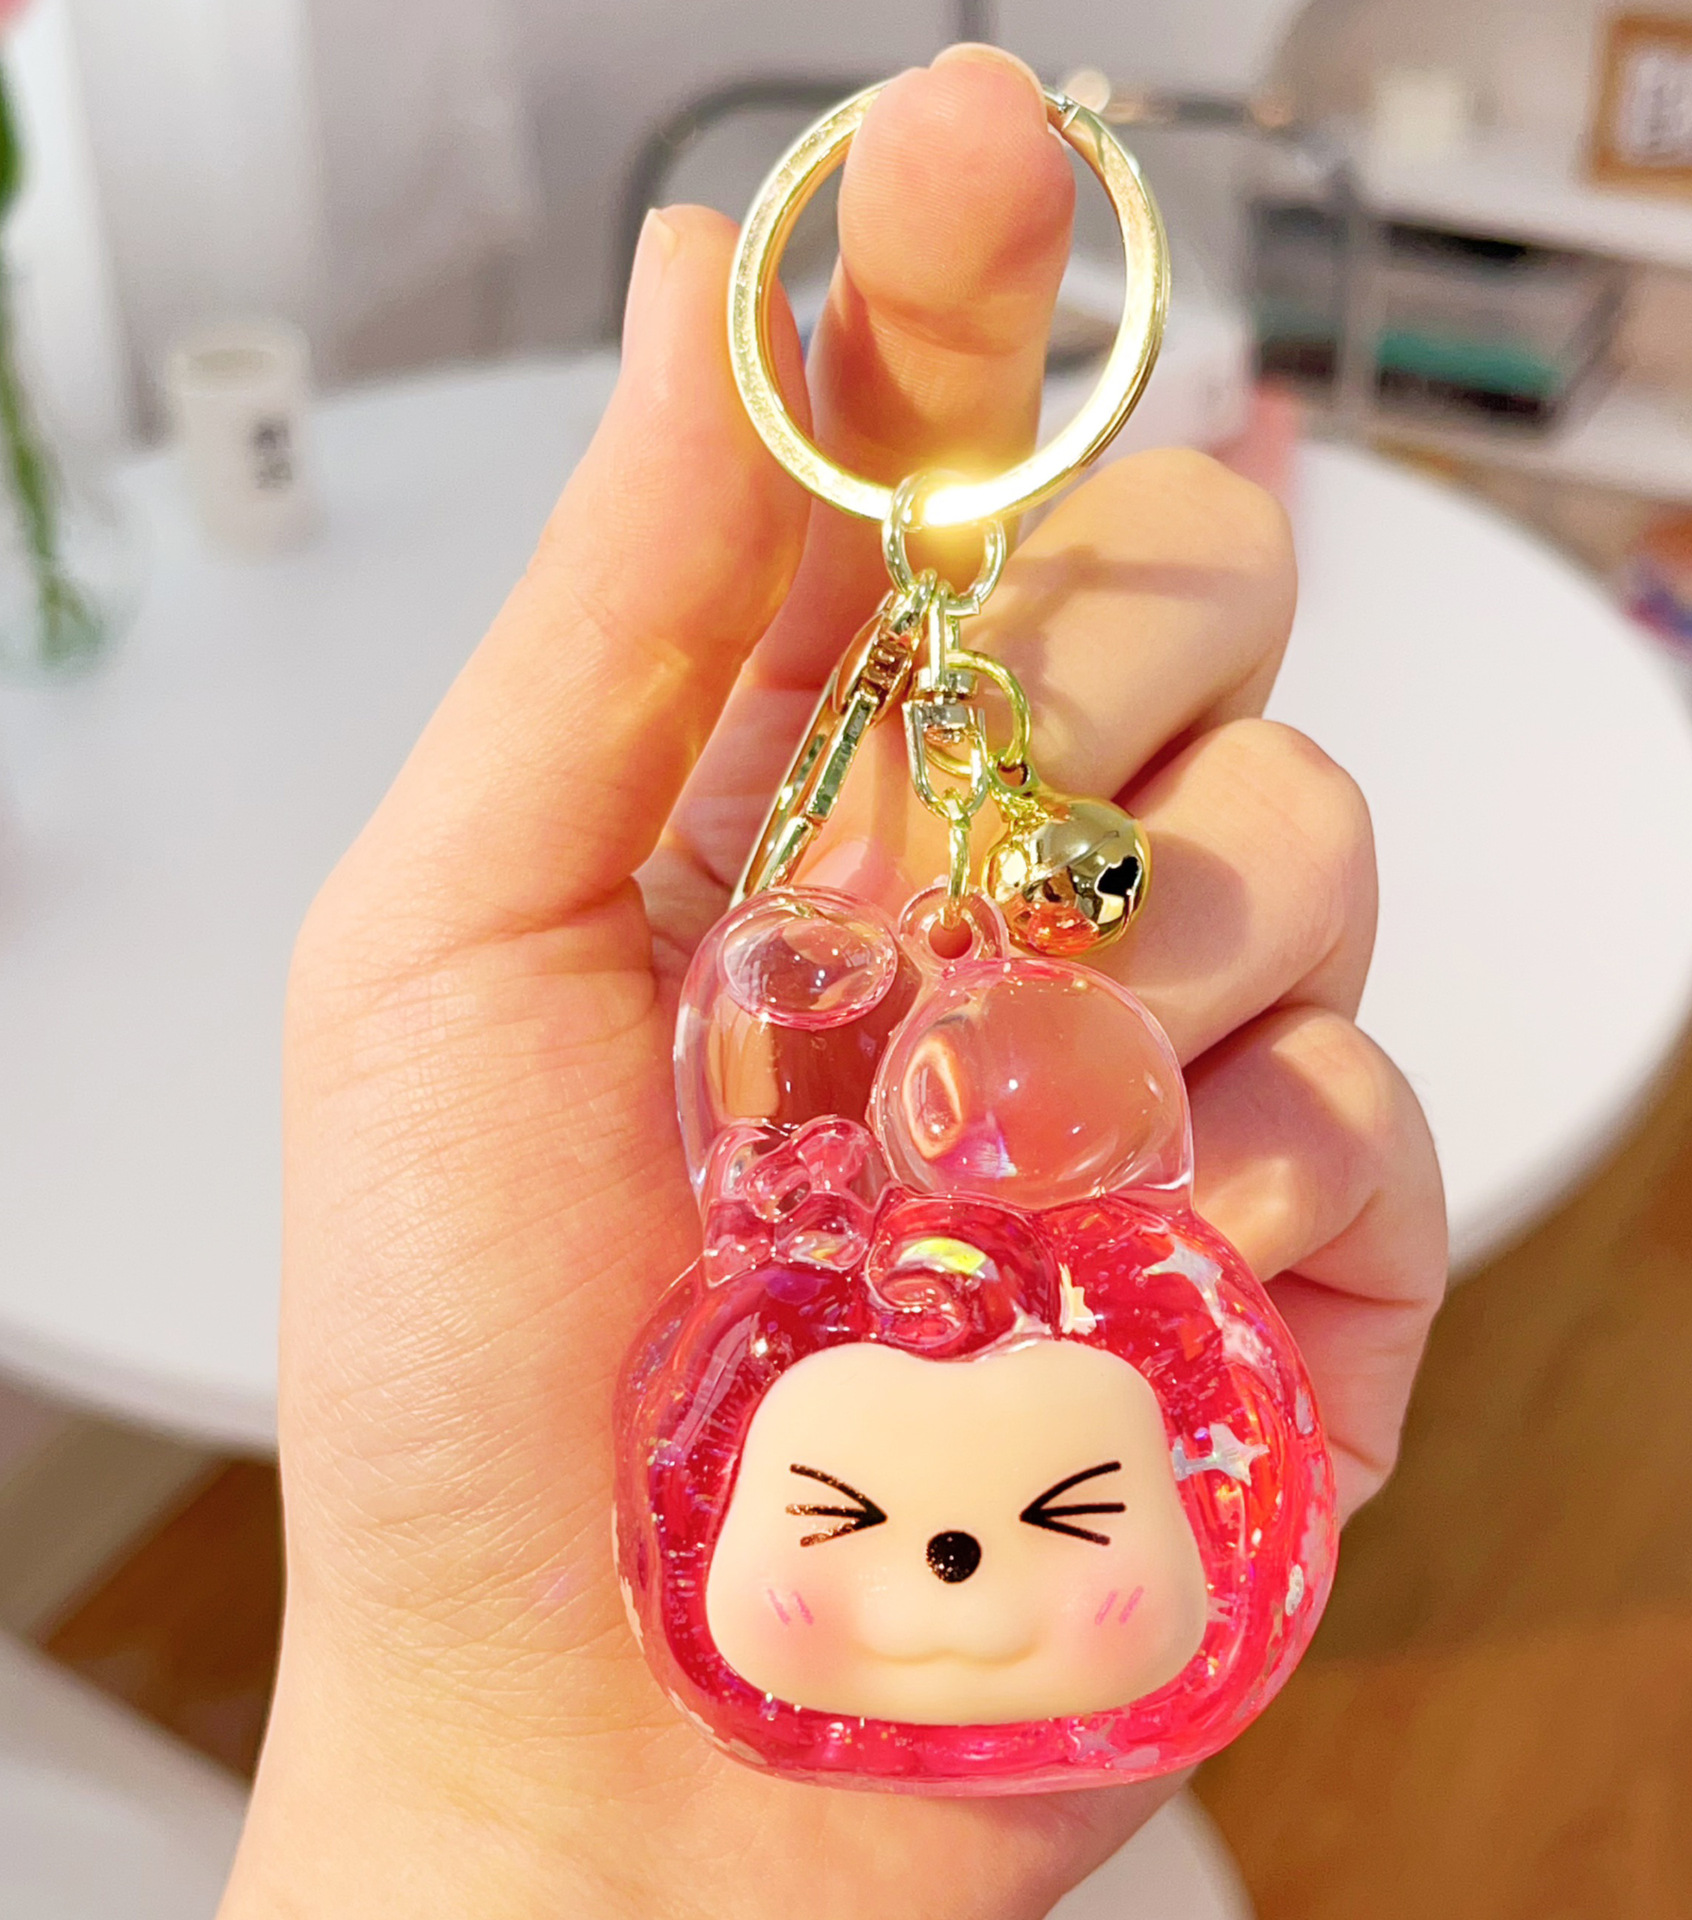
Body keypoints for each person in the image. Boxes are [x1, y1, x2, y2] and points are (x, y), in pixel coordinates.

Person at [220, 45, 1447, 1920]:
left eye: (1071, 1521)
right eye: (847, 1524)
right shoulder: (762, 1287)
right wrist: (488, 1816)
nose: (947, 1576)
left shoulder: (1040, 1284)